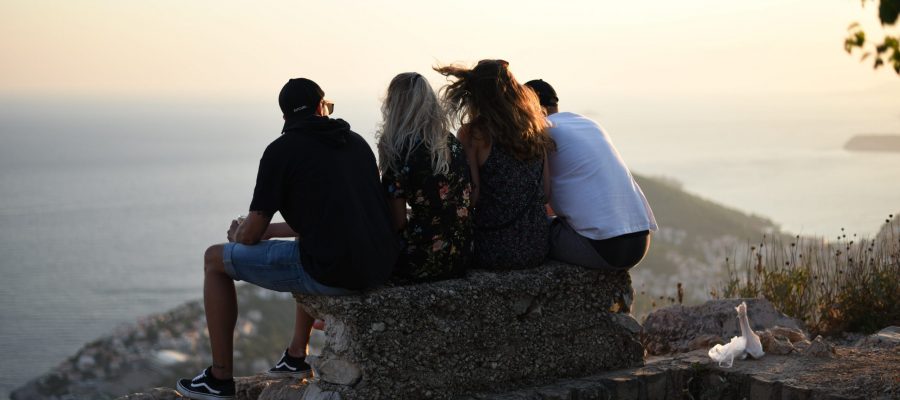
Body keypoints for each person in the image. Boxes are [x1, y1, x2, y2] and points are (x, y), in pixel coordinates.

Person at [176, 78, 399, 400]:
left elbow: (250, 235)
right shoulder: (355, 142)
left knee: (214, 259)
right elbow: (329, 221)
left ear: (285, 118)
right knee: (306, 245)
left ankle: (219, 378)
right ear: (322, 107)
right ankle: (296, 356)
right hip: (379, 265)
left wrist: (240, 232)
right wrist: (265, 231)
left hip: (336, 272)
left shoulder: (282, 151)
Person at [524, 79, 657, 271]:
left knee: (528, 233)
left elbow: (540, 195)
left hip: (606, 249)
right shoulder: (588, 124)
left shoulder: (541, 132)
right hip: (641, 241)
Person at [434, 60, 555, 270]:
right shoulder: (535, 127)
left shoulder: (473, 134)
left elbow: (473, 196)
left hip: (492, 250)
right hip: (536, 247)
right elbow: (545, 192)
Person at [377, 72, 474, 282]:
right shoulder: (451, 142)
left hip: (421, 259)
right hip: (461, 254)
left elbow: (398, 221)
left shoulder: (398, 149)